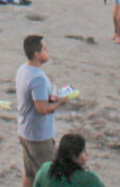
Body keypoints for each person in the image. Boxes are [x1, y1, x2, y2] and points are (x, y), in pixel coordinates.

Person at [16, 35, 68, 187]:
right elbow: (42, 109)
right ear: (37, 54)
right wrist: (60, 102)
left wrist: (53, 97)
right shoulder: (37, 77)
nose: (48, 51)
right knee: (49, 176)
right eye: (45, 49)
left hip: (25, 131)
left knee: (30, 173)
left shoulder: (23, 69)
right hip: (38, 136)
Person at [32, 133, 106, 187]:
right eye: (83, 151)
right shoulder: (89, 179)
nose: (87, 153)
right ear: (74, 157)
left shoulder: (45, 169)